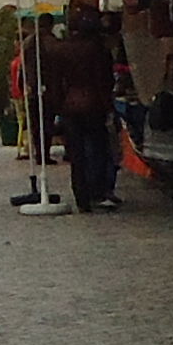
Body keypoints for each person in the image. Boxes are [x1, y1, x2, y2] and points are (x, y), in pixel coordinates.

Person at [52, 12, 122, 213]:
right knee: (98, 149)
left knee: (76, 153)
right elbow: (103, 80)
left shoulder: (62, 50)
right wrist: (108, 105)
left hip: (70, 105)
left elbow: (57, 82)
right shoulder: (97, 50)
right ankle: (97, 191)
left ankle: (80, 195)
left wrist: (59, 105)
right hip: (94, 104)